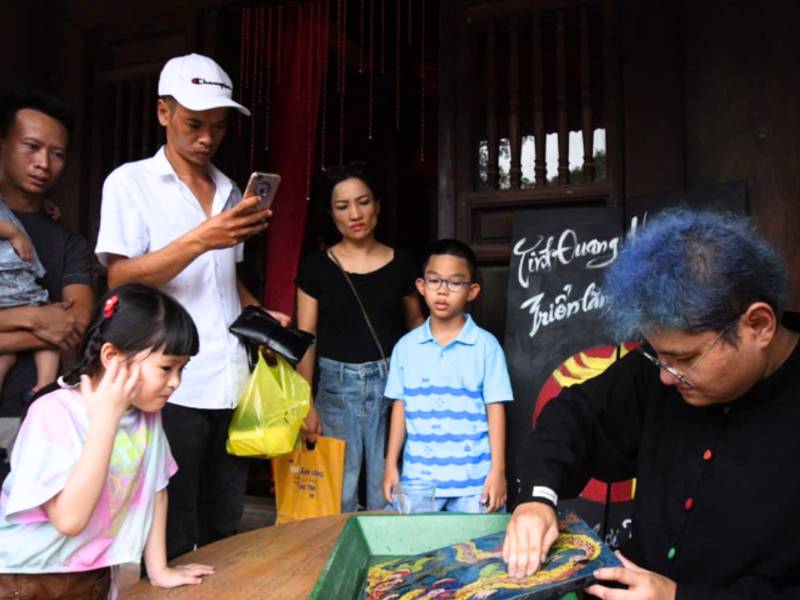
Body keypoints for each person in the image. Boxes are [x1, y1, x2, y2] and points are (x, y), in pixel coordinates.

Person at [502, 209, 800, 599]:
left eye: (686, 358)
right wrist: (538, 499)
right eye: (658, 356)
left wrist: (677, 597)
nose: (664, 376)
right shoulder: (659, 370)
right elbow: (573, 415)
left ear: (758, 325)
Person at [95, 53, 289, 560]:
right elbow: (119, 277)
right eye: (194, 123)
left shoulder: (229, 190)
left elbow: (224, 281)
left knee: (226, 519)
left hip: (231, 379)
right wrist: (203, 237)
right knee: (172, 524)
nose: (207, 138)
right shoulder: (129, 182)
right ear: (163, 112)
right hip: (170, 382)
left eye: (218, 127)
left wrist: (259, 315)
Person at [0, 283, 214, 599]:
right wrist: (105, 421)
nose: (176, 383)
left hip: (95, 571)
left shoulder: (145, 415)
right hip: (28, 578)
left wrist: (159, 569)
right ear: (112, 357)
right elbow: (70, 520)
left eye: (182, 369)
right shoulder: (54, 412)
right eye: (167, 368)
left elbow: (156, 489)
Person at [295, 162, 424, 512]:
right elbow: (306, 336)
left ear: (377, 205)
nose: (355, 213)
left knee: (390, 488)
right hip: (335, 390)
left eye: (363, 201)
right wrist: (306, 403)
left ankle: (388, 567)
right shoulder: (316, 267)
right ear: (331, 214)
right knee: (338, 493)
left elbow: (417, 327)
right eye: (343, 206)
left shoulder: (402, 263)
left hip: (391, 385)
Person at [382, 239, 513, 513]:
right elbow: (400, 407)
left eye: (455, 283)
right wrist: (390, 465)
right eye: (434, 281)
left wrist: (497, 472)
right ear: (421, 286)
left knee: (478, 553)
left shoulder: (486, 346)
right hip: (418, 484)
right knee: (414, 553)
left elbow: (495, 409)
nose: (442, 291)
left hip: (474, 484)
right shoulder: (405, 348)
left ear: (472, 291)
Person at [0, 90, 94, 458]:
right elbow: (55, 325)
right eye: (31, 147)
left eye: (57, 154)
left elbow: (74, 324)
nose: (44, 163)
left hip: (40, 419)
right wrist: (38, 318)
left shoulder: (68, 242)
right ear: (4, 144)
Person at [0, 197, 59, 395]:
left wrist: (42, 203)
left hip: (8, 279)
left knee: (5, 356)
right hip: (9, 278)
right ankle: (46, 386)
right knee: (52, 320)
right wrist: (13, 233)